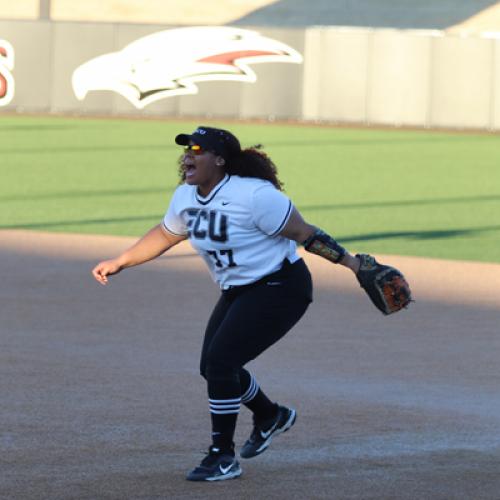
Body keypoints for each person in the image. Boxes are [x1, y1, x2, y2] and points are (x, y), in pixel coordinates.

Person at [92, 126, 361, 482]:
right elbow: (166, 234)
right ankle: (270, 415)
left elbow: (305, 233)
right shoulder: (186, 197)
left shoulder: (254, 196)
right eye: (186, 150)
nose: (188, 156)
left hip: (282, 287)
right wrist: (122, 260)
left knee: (221, 362)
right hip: (239, 290)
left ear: (220, 160)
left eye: (197, 150)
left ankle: (222, 456)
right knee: (213, 366)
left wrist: (355, 265)